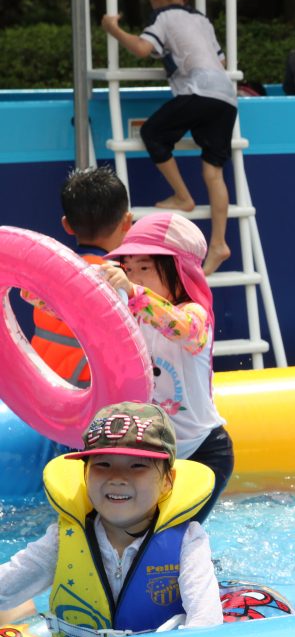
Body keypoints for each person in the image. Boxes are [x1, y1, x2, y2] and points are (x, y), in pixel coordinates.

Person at [0, 402, 222, 637]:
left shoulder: (187, 541)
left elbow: (205, 623)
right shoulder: (62, 540)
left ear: (168, 481)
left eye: (137, 466)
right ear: (85, 475)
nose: (117, 478)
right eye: (103, 464)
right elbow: (5, 588)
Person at [97, 213, 233, 524]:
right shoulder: (135, 315)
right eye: (129, 269)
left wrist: (135, 294)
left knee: (175, 535)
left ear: (178, 269)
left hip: (202, 452)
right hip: (153, 455)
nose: (134, 277)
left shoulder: (195, 314)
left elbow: (183, 329)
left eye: (144, 268)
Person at [101, 0, 236, 276]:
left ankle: (182, 196)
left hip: (198, 91)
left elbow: (142, 48)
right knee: (213, 172)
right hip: (226, 96)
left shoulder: (162, 16)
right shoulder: (200, 18)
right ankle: (219, 243)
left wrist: (113, 28)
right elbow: (221, 60)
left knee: (153, 134)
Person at [24, 167, 133, 388]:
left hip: (42, 384)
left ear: (67, 225)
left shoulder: (49, 269)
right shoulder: (120, 279)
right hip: (89, 392)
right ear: (127, 222)